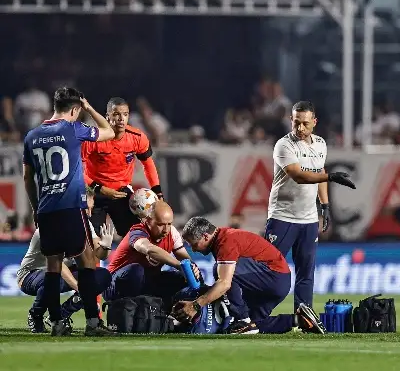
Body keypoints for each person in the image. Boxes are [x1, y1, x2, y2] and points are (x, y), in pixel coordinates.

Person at [22, 86, 117, 336]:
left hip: (46, 211)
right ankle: (93, 324)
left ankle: (56, 324)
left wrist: (35, 208)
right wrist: (90, 108)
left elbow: (27, 177)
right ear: (75, 109)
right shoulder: (74, 129)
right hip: (71, 208)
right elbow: (109, 132)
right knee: (87, 264)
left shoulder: (31, 136)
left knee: (53, 267)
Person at [264, 101, 356, 311]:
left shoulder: (320, 144)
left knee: (306, 272)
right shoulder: (284, 145)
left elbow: (319, 171)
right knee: (268, 268)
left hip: (308, 219)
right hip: (282, 217)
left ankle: (304, 317)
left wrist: (325, 205)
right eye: (296, 123)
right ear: (291, 120)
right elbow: (298, 175)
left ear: (314, 122)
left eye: (305, 123)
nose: (300, 128)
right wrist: (331, 176)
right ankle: (256, 315)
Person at [174, 216, 326, 335]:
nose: (193, 249)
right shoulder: (224, 238)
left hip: (274, 277)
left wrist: (195, 305)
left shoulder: (225, 241)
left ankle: (242, 318)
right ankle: (299, 320)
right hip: (276, 280)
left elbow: (225, 283)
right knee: (254, 325)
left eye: (193, 243)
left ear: (206, 236)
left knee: (220, 273)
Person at [18, 188, 114, 333]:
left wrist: (106, 246)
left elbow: (100, 255)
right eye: (86, 208)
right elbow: (57, 265)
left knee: (102, 276)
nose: (89, 213)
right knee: (52, 279)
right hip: (31, 275)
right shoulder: (52, 224)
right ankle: (35, 314)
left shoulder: (85, 223)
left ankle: (61, 314)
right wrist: (83, 291)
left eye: (91, 208)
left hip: (60, 273)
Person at [82, 97, 163, 237]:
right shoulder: (93, 138)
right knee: (90, 240)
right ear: (107, 116)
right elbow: (77, 170)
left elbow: (148, 164)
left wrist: (158, 192)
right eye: (116, 114)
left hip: (121, 193)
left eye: (125, 114)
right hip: (94, 192)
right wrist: (96, 190)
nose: (121, 118)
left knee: (136, 236)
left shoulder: (137, 137)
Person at [103, 200, 198, 306]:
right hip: (113, 284)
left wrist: (191, 268)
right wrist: (178, 265)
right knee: (136, 270)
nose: (165, 230)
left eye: (169, 224)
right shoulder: (137, 231)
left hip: (146, 282)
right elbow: (149, 249)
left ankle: (173, 315)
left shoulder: (172, 233)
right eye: (160, 224)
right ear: (147, 220)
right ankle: (130, 311)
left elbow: (185, 259)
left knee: (189, 276)